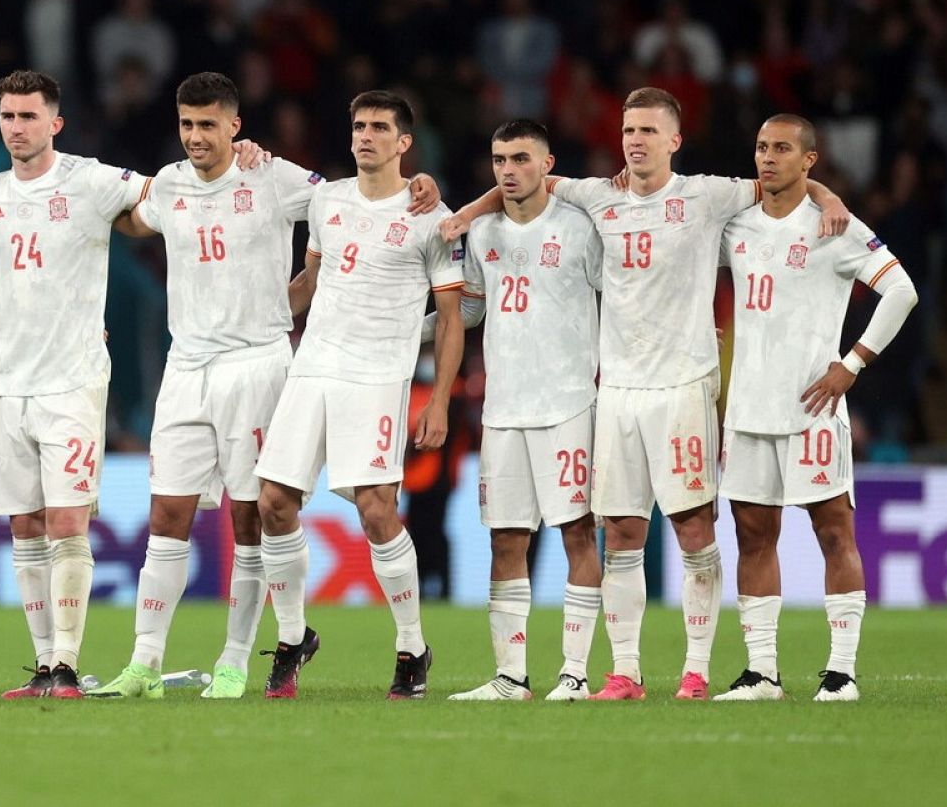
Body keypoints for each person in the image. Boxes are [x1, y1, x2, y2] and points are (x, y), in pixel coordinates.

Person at [438, 87, 849, 700]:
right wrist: (468, 213)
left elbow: (781, 179)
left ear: (674, 141)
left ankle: (696, 670)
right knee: (621, 532)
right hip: (618, 392)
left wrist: (829, 193)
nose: (635, 140)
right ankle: (624, 671)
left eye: (650, 132)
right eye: (630, 130)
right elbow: (523, 180)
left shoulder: (708, 196)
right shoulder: (595, 196)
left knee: (693, 530)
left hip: (683, 385)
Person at [86, 72, 325, 700]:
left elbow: (343, 205)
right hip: (186, 368)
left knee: (250, 518)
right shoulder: (167, 184)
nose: (196, 137)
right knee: (167, 513)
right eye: (187, 124)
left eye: (208, 125)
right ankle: (143, 664)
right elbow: (131, 218)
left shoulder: (272, 177)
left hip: (256, 363)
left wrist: (311, 275)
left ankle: (236, 658)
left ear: (235, 126)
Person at [254, 91, 464, 700]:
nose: (365, 135)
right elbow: (310, 283)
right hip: (313, 368)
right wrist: (253, 320)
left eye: (379, 127)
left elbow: (450, 317)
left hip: (378, 377)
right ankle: (293, 637)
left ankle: (411, 646)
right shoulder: (327, 201)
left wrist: (441, 399)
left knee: (375, 509)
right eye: (358, 126)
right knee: (272, 501)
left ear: (404, 143)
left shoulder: (432, 214)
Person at [714, 115, 916, 703]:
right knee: (753, 538)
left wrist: (851, 363)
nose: (767, 157)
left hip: (812, 407)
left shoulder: (835, 227)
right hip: (747, 408)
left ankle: (842, 672)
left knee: (834, 533)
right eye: (760, 147)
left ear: (809, 160)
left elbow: (901, 290)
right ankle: (762, 674)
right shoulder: (734, 225)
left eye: (781, 148)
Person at [0, 70, 149, 699]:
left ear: (55, 123)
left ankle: (67, 665)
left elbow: (163, 198)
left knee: (67, 521)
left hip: (71, 380)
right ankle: (43, 664)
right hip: (5, 381)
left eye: (29, 116)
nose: (17, 127)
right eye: (8, 116)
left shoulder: (91, 180)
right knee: (24, 526)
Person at [428, 120, 606, 702]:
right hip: (502, 411)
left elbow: (620, 299)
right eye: (499, 159)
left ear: (547, 163)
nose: (508, 170)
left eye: (521, 158)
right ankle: (510, 677)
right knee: (506, 541)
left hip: (569, 405)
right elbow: (471, 312)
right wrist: (402, 330)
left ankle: (575, 674)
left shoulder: (581, 228)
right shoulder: (482, 235)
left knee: (578, 534)